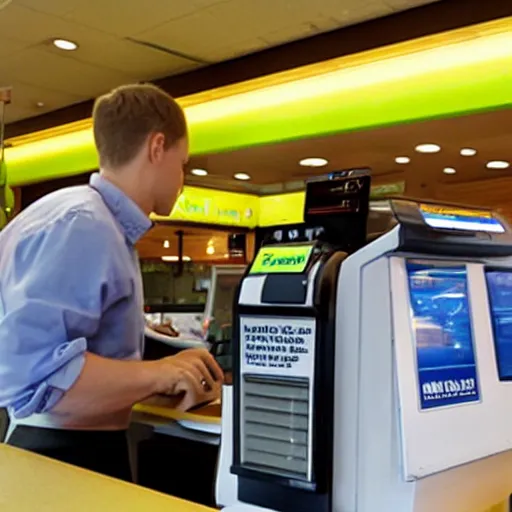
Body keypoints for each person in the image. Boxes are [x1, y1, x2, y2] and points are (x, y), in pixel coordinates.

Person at [0, 83, 224, 481]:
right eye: (182, 162)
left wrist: (165, 364)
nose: (183, 178)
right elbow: (39, 378)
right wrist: (162, 373)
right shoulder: (86, 226)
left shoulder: (85, 218)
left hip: (72, 452)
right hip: (62, 459)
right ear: (157, 148)